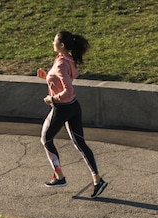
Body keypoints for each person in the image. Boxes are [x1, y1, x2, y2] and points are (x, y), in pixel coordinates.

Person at [36, 30, 108, 198]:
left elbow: (68, 90)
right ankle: (98, 180)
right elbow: (66, 79)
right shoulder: (68, 59)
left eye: (54, 40)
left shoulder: (61, 63)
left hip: (62, 108)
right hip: (74, 107)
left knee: (46, 139)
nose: (52, 42)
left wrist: (52, 99)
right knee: (80, 144)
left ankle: (59, 177)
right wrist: (47, 78)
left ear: (61, 45)